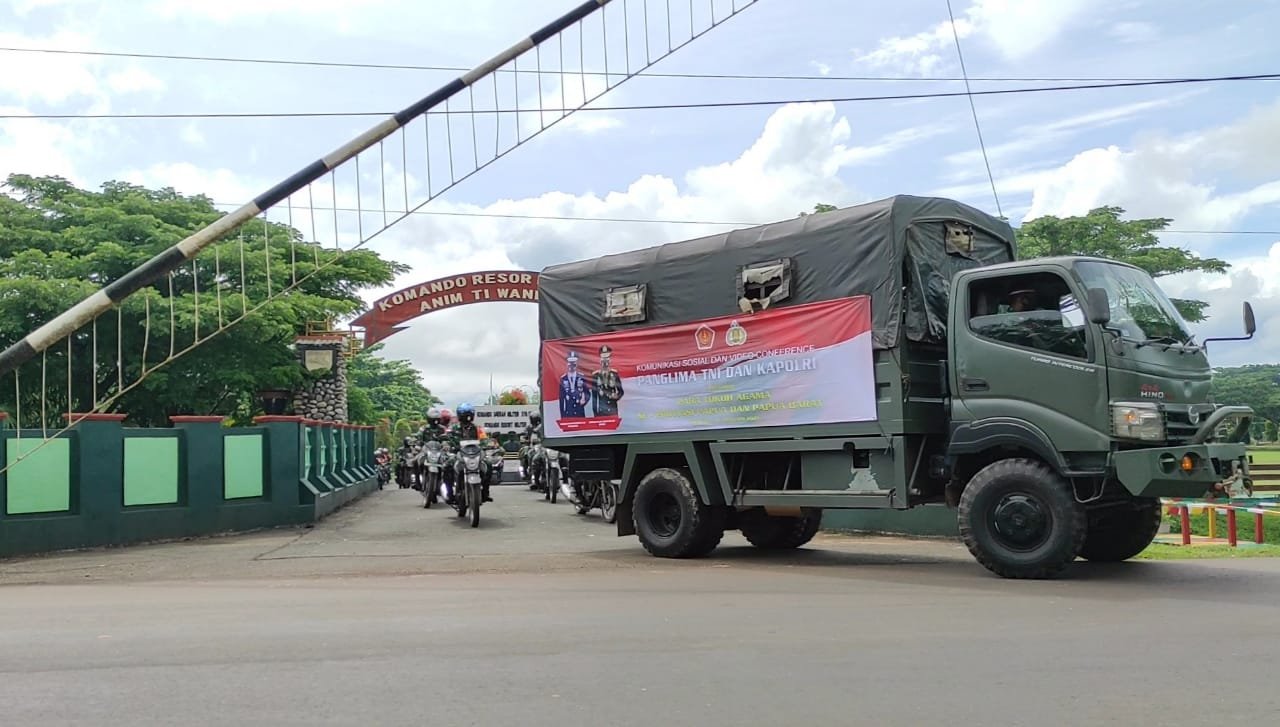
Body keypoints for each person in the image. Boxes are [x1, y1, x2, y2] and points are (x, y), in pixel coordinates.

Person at [447, 403, 493, 502]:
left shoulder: (478, 428)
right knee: (447, 465)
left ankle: (485, 492)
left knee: (488, 464)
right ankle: (450, 493)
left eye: (468, 415)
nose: (467, 418)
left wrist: (486, 444)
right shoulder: (454, 429)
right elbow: (448, 439)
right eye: (464, 416)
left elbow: (484, 439)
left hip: (475, 454)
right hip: (459, 454)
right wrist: (448, 445)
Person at [590, 344, 624, 417]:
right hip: (602, 410)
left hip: (612, 409)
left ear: (609, 360)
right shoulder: (595, 375)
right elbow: (594, 397)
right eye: (603, 359)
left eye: (607, 359)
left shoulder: (614, 374)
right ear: (600, 360)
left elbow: (621, 391)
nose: (605, 362)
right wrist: (595, 413)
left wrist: (616, 396)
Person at [559, 350, 589, 418]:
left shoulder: (581, 377)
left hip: (580, 412)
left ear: (576, 364)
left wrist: (584, 400)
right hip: (568, 413)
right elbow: (561, 399)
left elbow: (587, 393)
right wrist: (562, 416)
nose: (571, 365)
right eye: (570, 363)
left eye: (573, 363)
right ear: (567, 363)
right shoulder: (563, 379)